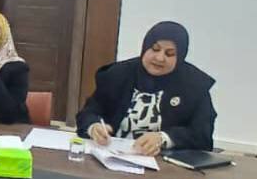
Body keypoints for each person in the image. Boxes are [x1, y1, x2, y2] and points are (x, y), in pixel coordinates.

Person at [76, 21, 216, 155]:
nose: (160, 58)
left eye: (169, 53)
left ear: (180, 56)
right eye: (155, 49)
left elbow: (202, 135)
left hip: (164, 163)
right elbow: (88, 113)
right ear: (145, 47)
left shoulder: (195, 85)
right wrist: (93, 126)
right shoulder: (118, 74)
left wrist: (164, 138)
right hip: (111, 155)